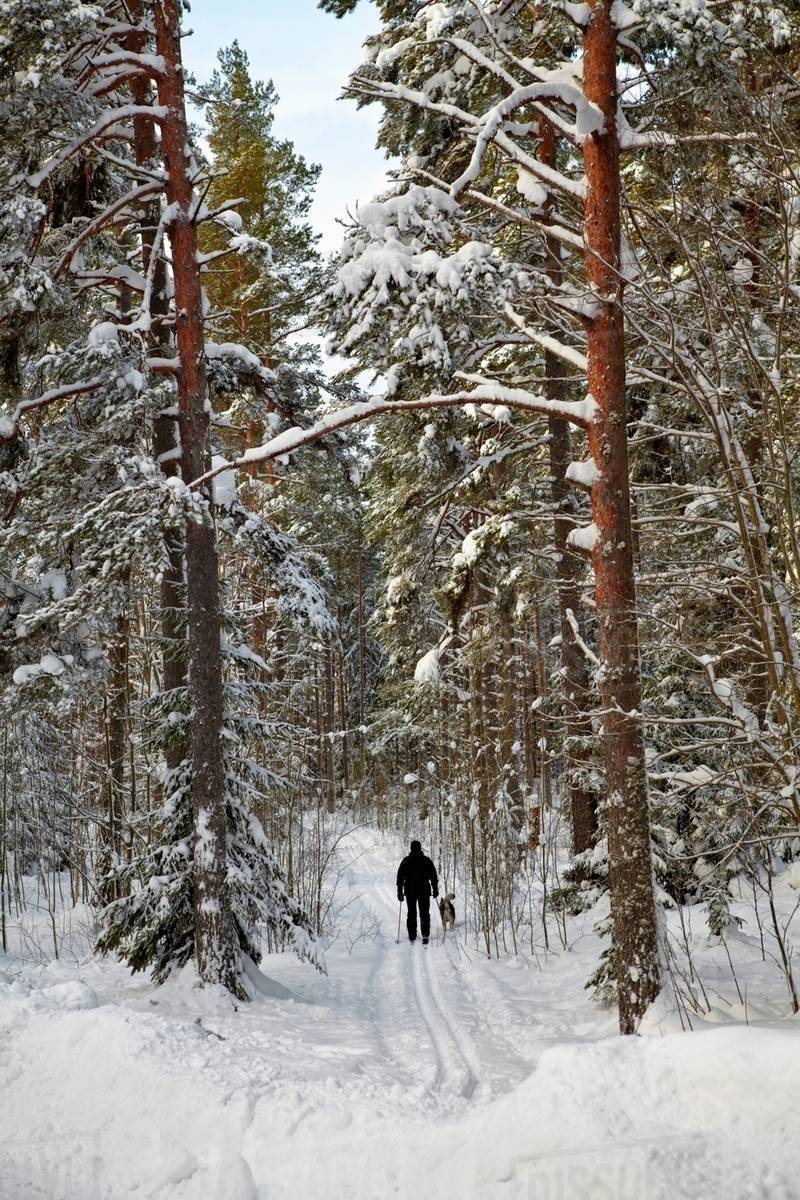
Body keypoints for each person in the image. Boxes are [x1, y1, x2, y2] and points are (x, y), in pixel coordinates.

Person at [396, 839, 439, 944]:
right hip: (424, 890)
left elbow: (400, 877)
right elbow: (433, 876)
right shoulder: (426, 860)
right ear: (420, 848)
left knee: (411, 913)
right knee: (424, 913)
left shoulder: (406, 861)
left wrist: (400, 892)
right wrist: (435, 888)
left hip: (410, 891)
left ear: (411, 848)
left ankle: (412, 935)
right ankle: (425, 935)